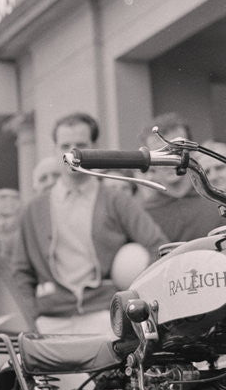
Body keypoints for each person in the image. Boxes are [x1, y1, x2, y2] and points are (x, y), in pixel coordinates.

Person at [12, 112, 167, 334]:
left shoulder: (116, 200)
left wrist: (134, 298)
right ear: (55, 150)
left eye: (81, 145)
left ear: (95, 148)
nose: (73, 152)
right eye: (65, 145)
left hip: (106, 314)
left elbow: (157, 246)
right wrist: (31, 318)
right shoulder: (34, 209)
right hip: (50, 320)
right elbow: (21, 273)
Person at [140, 113, 222, 242]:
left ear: (192, 152)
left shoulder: (218, 201)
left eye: (177, 151)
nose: (169, 159)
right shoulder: (142, 215)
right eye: (160, 153)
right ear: (149, 161)